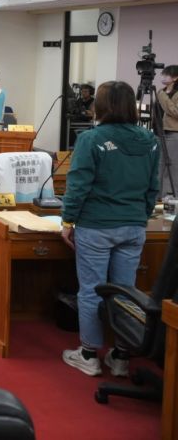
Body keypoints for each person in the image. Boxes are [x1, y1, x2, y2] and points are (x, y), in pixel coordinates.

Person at [61, 81, 160, 377]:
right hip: (134, 227)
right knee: (126, 292)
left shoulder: (91, 139)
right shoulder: (150, 140)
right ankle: (121, 355)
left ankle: (89, 354)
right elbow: (152, 187)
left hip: (96, 226)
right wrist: (141, 216)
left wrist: (68, 221)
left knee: (91, 291)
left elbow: (78, 184)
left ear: (101, 106)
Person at [159, 66, 178, 197]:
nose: (163, 77)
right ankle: (159, 196)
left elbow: (176, 112)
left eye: (166, 75)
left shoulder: (162, 94)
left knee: (172, 166)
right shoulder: (161, 92)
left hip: (174, 132)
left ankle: (172, 196)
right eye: (162, 75)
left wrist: (163, 97)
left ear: (175, 77)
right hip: (161, 132)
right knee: (160, 165)